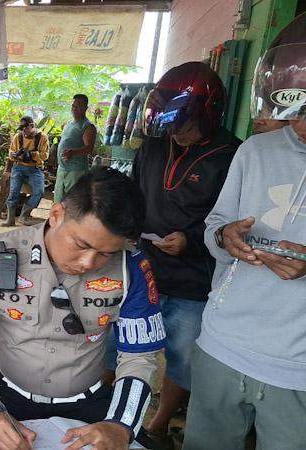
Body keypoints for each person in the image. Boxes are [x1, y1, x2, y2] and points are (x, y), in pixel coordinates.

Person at [0, 167, 165, 450]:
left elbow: (139, 356)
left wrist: (121, 425)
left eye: (106, 253)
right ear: (57, 214)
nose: (87, 262)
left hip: (89, 404)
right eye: (81, 244)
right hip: (3, 395)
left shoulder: (131, 268)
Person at [184, 41, 306, 450]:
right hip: (223, 344)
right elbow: (214, 227)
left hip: (297, 369)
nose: (299, 123)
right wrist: (225, 237)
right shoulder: (255, 151)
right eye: (296, 110)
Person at [123, 61, 241, 443]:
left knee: (183, 357)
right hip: (142, 270)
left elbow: (236, 220)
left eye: (185, 125)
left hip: (194, 281)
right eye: (171, 125)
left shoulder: (232, 156)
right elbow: (133, 193)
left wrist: (190, 240)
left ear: (209, 115)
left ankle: (158, 426)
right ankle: (109, 413)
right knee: (119, 344)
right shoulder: (155, 145)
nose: (177, 133)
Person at [2, 115, 49, 227]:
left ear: (32, 126)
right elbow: (11, 152)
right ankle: (10, 219)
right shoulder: (18, 137)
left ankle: (24, 215)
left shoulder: (42, 137)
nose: (23, 131)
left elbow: (45, 156)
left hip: (35, 169)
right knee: (14, 192)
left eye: (25, 128)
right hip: (18, 167)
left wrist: (32, 155)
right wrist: (15, 155)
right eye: (21, 128)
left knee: (39, 192)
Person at [54, 94, 96, 204]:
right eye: (73, 106)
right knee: (58, 203)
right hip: (62, 169)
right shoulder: (69, 124)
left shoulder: (88, 126)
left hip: (76, 171)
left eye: (78, 106)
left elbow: (89, 148)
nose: (74, 108)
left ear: (85, 108)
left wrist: (73, 152)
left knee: (72, 204)